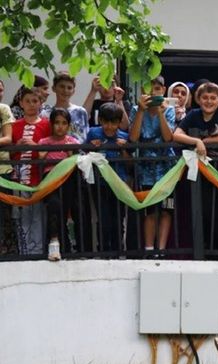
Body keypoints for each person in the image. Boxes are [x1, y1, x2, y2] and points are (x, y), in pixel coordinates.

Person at [173, 82, 218, 249]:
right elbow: (177, 134)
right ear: (198, 100)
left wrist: (205, 141)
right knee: (201, 210)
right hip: (198, 172)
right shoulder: (193, 114)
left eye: (213, 98)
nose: (209, 101)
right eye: (205, 98)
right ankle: (202, 248)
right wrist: (196, 141)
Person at [129, 76, 176, 255]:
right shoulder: (135, 109)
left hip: (167, 169)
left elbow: (168, 137)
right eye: (149, 89)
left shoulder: (168, 110)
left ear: (163, 91)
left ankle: (161, 250)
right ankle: (149, 249)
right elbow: (133, 138)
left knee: (166, 209)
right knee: (149, 210)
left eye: (157, 89)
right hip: (145, 168)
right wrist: (141, 111)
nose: (153, 93)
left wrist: (160, 112)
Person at [11, 87, 51, 255]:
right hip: (19, 180)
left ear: (41, 103)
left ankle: (38, 252)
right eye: (27, 101)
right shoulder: (14, 126)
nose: (31, 105)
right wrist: (16, 147)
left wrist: (36, 147)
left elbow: (51, 149)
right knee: (22, 217)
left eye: (35, 101)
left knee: (38, 217)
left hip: (39, 179)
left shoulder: (46, 125)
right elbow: (9, 153)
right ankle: (24, 252)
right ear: (21, 103)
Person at [86, 103, 130, 253]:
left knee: (118, 219)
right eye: (106, 122)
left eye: (114, 123)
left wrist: (123, 149)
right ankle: (103, 250)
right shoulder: (93, 133)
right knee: (103, 218)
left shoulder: (124, 137)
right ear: (101, 120)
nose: (109, 126)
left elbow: (130, 163)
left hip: (119, 184)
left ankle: (118, 250)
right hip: (99, 183)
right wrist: (92, 148)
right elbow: (84, 156)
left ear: (119, 122)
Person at [38, 108, 80, 260]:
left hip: (67, 178)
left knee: (62, 211)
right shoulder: (44, 141)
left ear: (68, 125)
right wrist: (46, 151)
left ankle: (64, 247)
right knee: (54, 205)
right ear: (51, 124)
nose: (60, 127)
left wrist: (69, 151)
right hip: (50, 178)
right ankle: (54, 244)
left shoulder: (72, 141)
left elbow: (74, 161)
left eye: (64, 123)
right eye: (56, 123)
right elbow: (40, 159)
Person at [46, 71, 90, 142]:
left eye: (69, 88)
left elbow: (85, 137)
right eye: (62, 86)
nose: (65, 90)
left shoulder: (80, 112)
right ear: (54, 88)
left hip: (78, 152)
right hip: (53, 152)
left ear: (73, 91)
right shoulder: (46, 112)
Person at [0, 100, 15, 254]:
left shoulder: (3, 108)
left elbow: (8, 138)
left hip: (2, 170)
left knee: (5, 214)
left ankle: (6, 249)